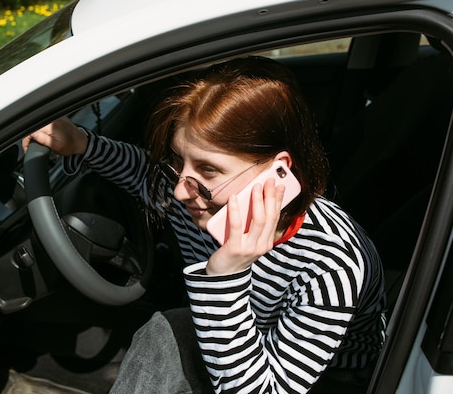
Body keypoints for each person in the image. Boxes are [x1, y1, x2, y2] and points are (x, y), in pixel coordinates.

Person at [23, 56, 387, 394]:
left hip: (330, 378)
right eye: (181, 161)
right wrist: (82, 144)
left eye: (208, 169)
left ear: (277, 171)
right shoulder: (202, 200)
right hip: (238, 341)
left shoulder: (331, 264)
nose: (182, 190)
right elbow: (142, 174)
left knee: (165, 332)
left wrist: (223, 275)